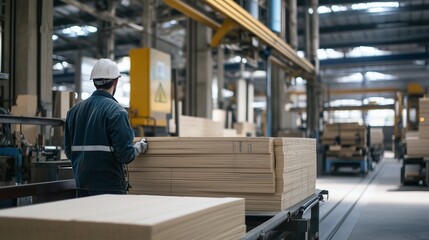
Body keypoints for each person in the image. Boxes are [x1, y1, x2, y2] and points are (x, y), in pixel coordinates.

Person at [64, 58, 148, 197]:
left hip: (82, 186)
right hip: (110, 189)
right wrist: (139, 147)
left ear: (94, 81)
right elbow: (125, 155)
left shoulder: (73, 112)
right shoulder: (117, 112)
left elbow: (69, 152)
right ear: (115, 82)